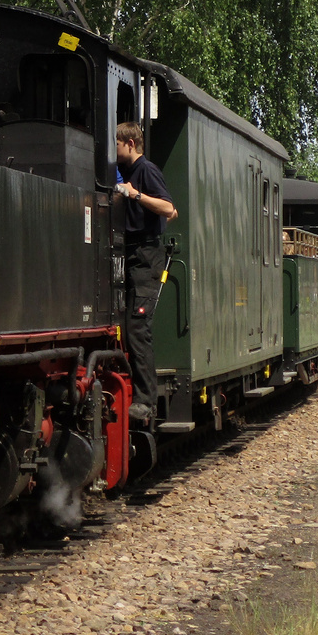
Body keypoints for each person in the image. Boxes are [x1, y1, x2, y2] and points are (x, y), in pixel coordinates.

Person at [114, 122, 178, 426]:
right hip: (128, 254)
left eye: (116, 143)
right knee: (123, 326)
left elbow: (169, 209)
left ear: (129, 143)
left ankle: (145, 401)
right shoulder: (122, 172)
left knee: (138, 328)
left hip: (146, 256)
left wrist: (136, 195)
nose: (113, 149)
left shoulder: (146, 170)